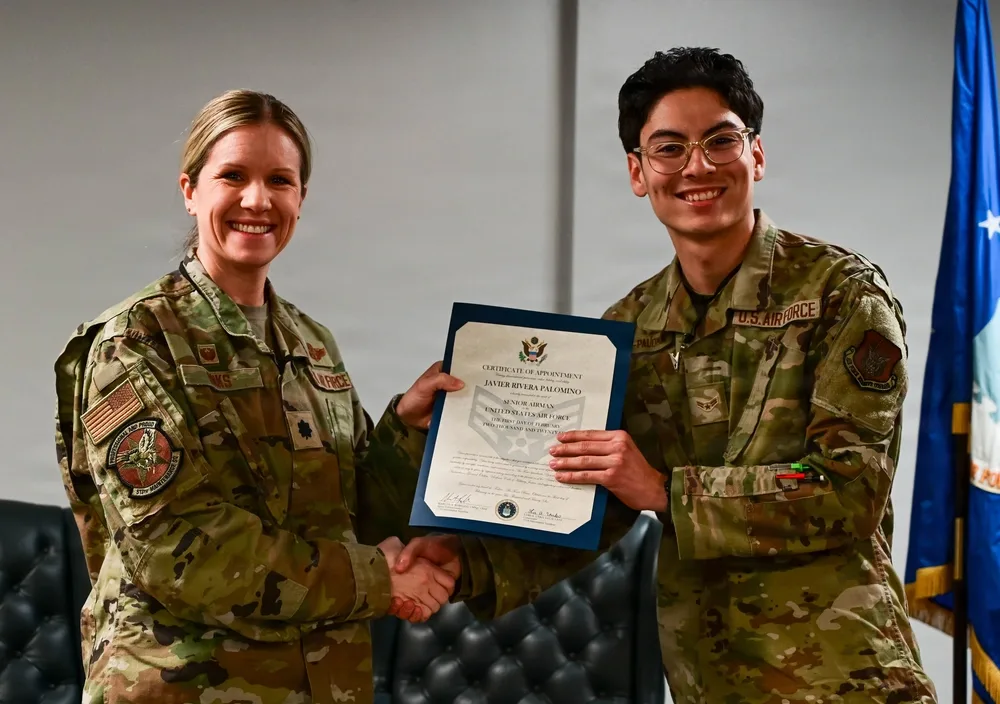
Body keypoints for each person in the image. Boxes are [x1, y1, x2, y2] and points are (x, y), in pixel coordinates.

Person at [400, 48, 939, 703]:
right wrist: (465, 562)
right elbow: (590, 509)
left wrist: (664, 489)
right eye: (669, 148)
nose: (697, 167)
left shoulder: (841, 295)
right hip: (706, 682)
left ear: (756, 155)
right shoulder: (629, 327)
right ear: (638, 171)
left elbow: (848, 490)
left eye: (720, 141)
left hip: (844, 681)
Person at [53, 89, 487, 703]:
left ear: (300, 199)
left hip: (319, 684)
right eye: (233, 175)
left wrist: (407, 429)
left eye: (279, 180)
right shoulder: (136, 343)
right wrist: (379, 581)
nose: (257, 199)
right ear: (190, 190)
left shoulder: (310, 343)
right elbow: (182, 549)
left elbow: (349, 514)